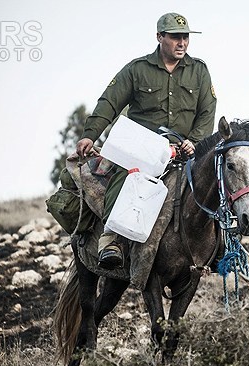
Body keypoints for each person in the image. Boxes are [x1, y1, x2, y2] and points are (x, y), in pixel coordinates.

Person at [75, 12, 217, 269]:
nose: (182, 43)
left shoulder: (199, 71)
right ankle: (112, 240)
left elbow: (207, 112)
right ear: (159, 37)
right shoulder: (137, 69)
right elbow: (109, 102)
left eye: (185, 37)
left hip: (185, 149)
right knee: (124, 175)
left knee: (219, 181)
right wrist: (90, 134)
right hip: (142, 150)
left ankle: (219, 247)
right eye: (175, 37)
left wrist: (195, 140)